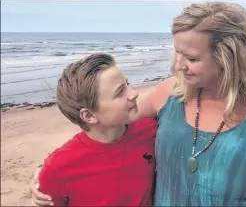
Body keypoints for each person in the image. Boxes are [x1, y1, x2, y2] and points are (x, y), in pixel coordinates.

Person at [31, 1, 246, 206]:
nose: (178, 65)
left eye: (191, 57)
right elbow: (105, 131)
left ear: (230, 57)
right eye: (177, 52)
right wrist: (51, 170)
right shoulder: (170, 93)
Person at [32, 52, 158, 206]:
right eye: (120, 92)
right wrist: (43, 177)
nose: (133, 93)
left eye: (127, 84)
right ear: (89, 115)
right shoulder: (57, 169)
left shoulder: (150, 130)